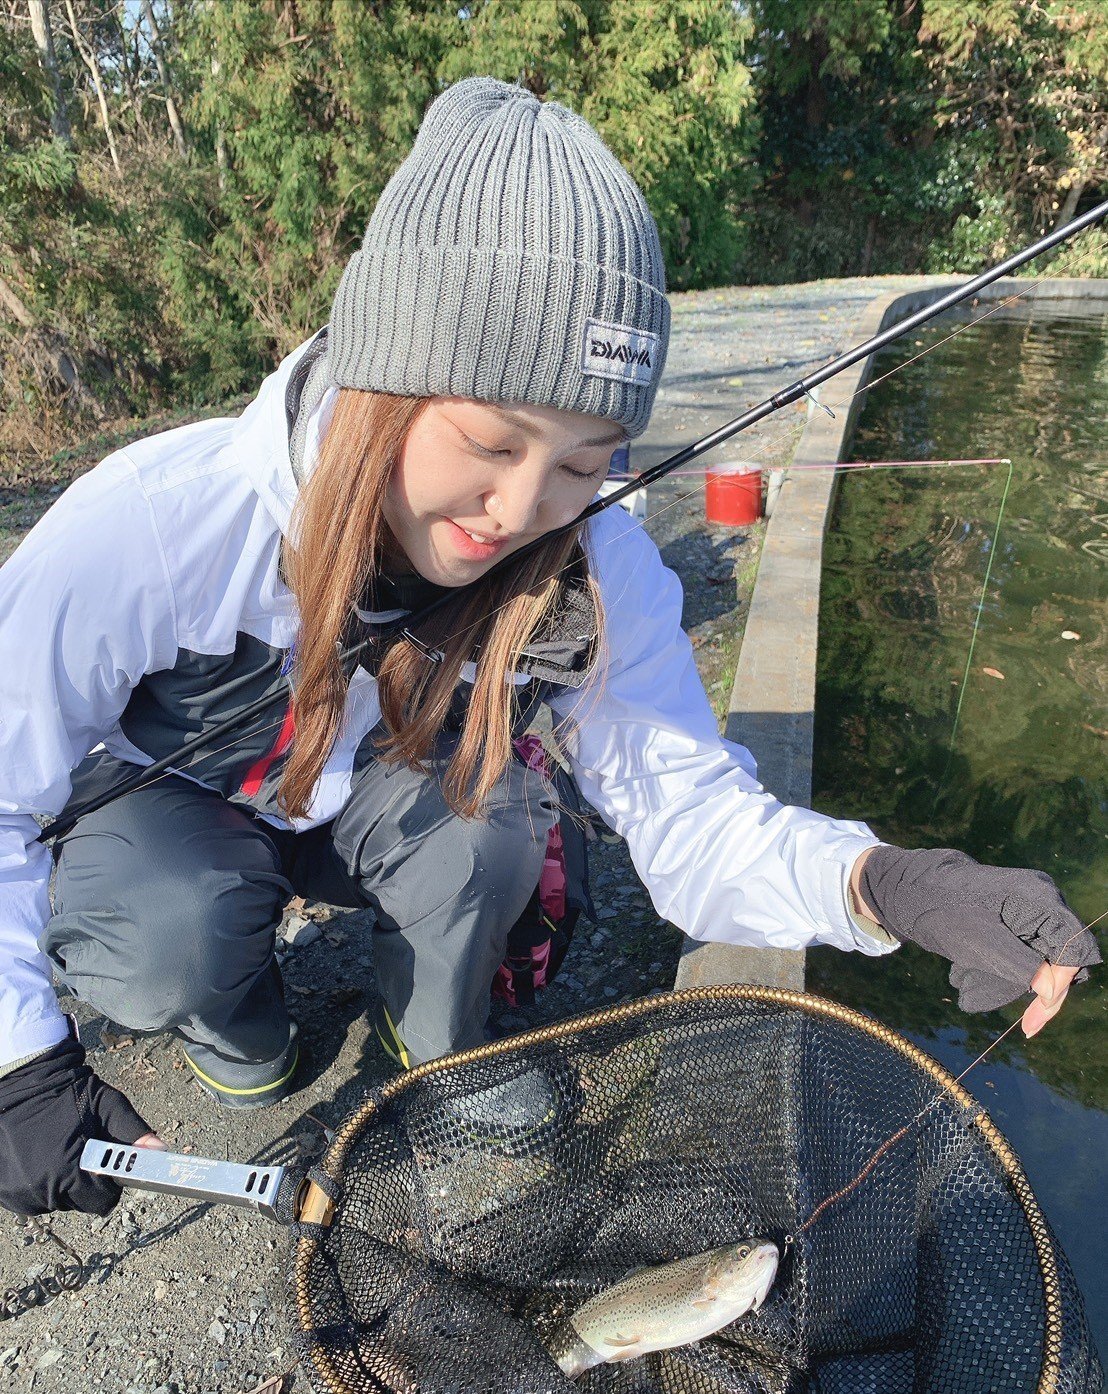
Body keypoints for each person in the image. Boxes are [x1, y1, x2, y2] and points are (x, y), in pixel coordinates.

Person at [0, 78, 1098, 1219]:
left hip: (372, 797)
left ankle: (438, 1043)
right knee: (165, 932)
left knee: (495, 827)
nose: (517, 508)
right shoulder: (154, 523)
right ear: (385, 379)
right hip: (182, 806)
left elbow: (694, 816)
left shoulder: (591, 561)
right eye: (490, 437)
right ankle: (233, 1027)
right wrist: (20, 1059)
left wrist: (891, 885)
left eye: (583, 463)